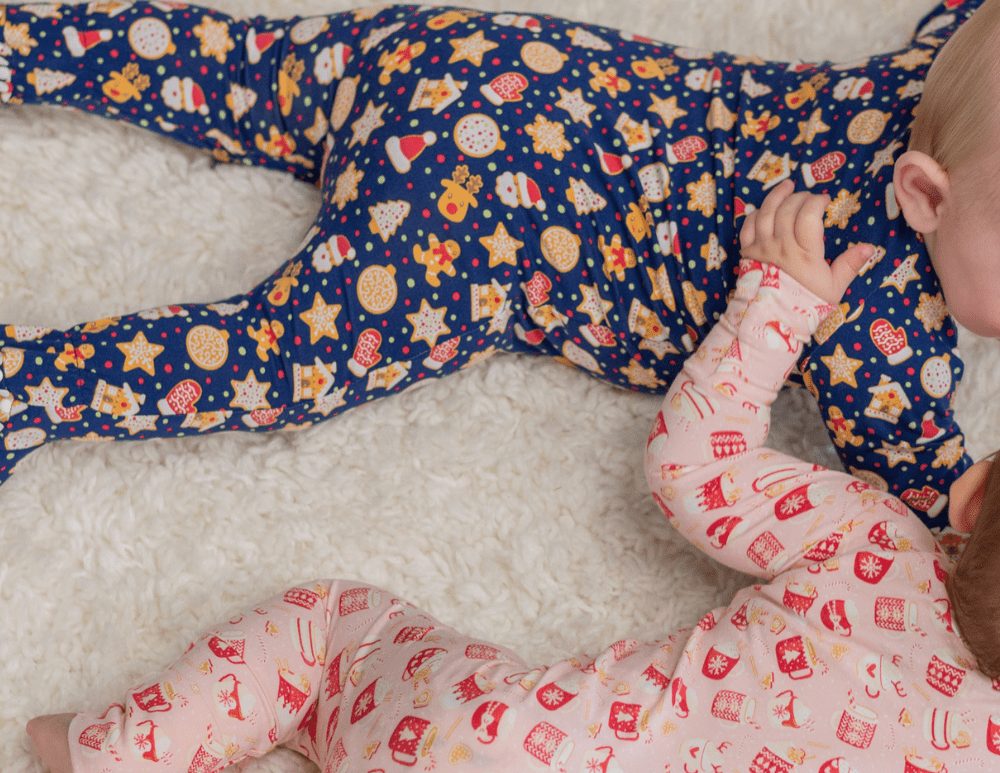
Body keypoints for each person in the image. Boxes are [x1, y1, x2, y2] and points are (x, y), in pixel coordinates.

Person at [26, 182, 1000, 773]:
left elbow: (694, 467)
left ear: (973, 492)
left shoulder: (876, 544)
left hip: (472, 757)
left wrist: (776, 301)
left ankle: (121, 750)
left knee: (333, 631)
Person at [0, 0, 992, 531]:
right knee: (290, 358)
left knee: (236, 62)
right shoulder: (884, 329)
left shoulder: (938, 67)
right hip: (469, 224)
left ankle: (30, 39)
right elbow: (962, 520)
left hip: (482, 56)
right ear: (923, 197)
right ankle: (27, 382)